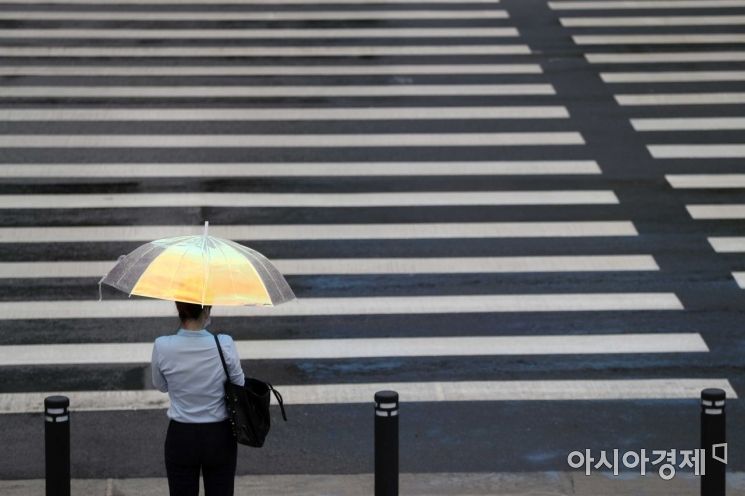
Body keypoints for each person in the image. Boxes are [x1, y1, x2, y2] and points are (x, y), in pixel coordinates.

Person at [151, 301, 245, 496]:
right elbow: (239, 384)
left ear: (179, 309)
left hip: (181, 436)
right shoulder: (224, 343)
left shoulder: (162, 346)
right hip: (220, 435)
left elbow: (160, 386)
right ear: (207, 309)